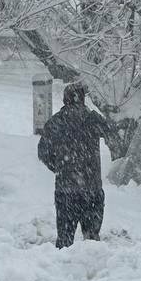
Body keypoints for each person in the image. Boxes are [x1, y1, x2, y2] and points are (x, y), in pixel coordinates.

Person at [37, 82, 116, 247]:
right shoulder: (93, 119)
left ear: (65, 99)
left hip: (66, 191)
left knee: (65, 240)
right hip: (92, 189)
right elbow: (112, 136)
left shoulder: (55, 122)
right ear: (83, 98)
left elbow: (43, 152)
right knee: (92, 240)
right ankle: (92, 268)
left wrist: (59, 167)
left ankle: (61, 268)